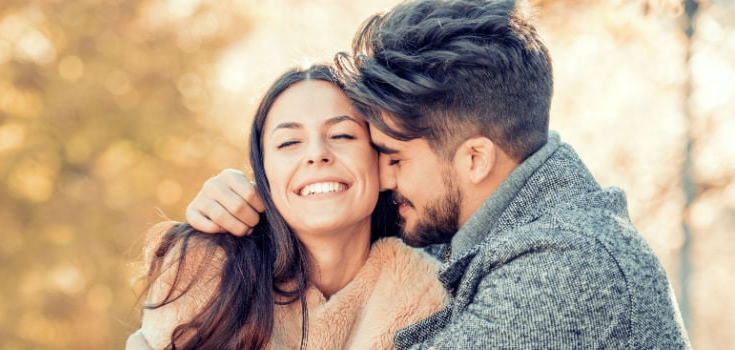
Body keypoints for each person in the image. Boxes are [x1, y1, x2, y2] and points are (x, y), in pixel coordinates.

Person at [185, 0, 692, 348]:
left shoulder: (567, 266)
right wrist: (257, 211)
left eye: (396, 158)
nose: (384, 179)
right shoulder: (491, 229)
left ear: (474, 159)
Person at [126, 64, 448, 350]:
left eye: (342, 134)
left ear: (382, 165)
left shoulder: (427, 291)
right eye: (289, 142)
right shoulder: (205, 266)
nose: (316, 154)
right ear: (264, 176)